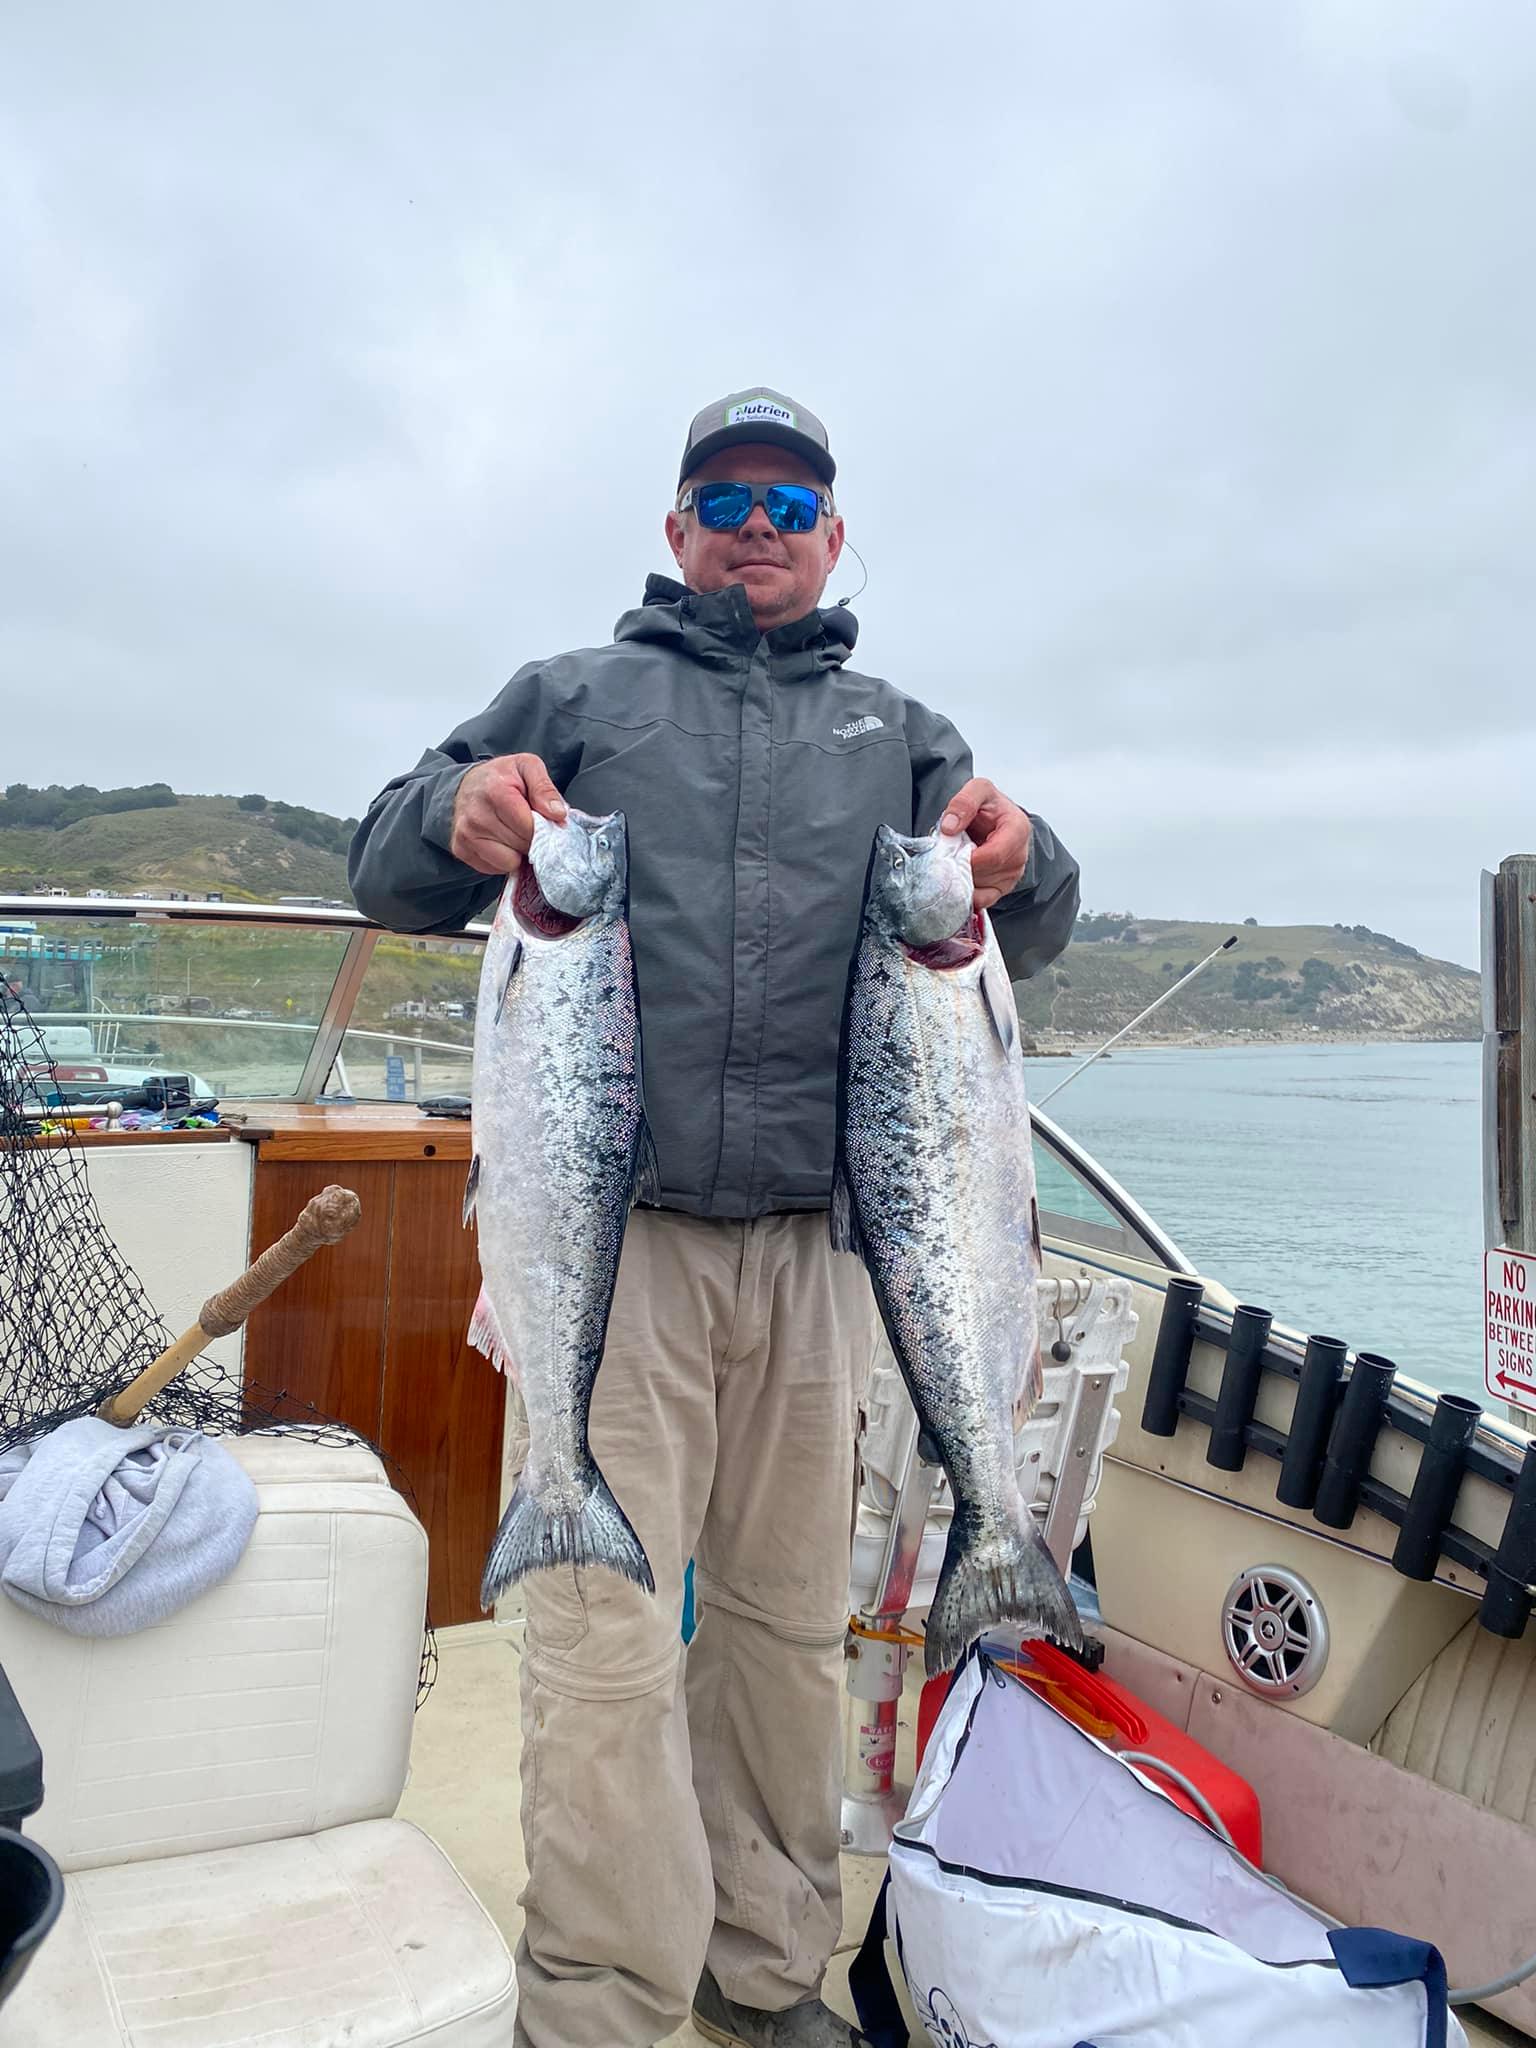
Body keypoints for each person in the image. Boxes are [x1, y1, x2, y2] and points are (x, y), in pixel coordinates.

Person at [349, 388, 1080, 2048]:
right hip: (618, 1254)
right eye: (727, 497)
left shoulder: (901, 733)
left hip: (829, 1263)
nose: (760, 525)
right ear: (676, 530)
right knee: (604, 1646)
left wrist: (1024, 860)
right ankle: (600, 2003)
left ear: (833, 538)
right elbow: (386, 866)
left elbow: (1020, 930)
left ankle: (763, 1979)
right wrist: (448, 814)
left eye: (793, 501)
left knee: (777, 1638)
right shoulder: (580, 697)